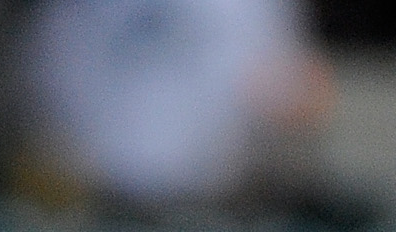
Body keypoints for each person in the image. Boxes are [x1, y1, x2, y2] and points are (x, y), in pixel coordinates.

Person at [17, 0, 334, 212]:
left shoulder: (254, 10)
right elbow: (44, 73)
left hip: (215, 210)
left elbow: (301, 96)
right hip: (90, 204)